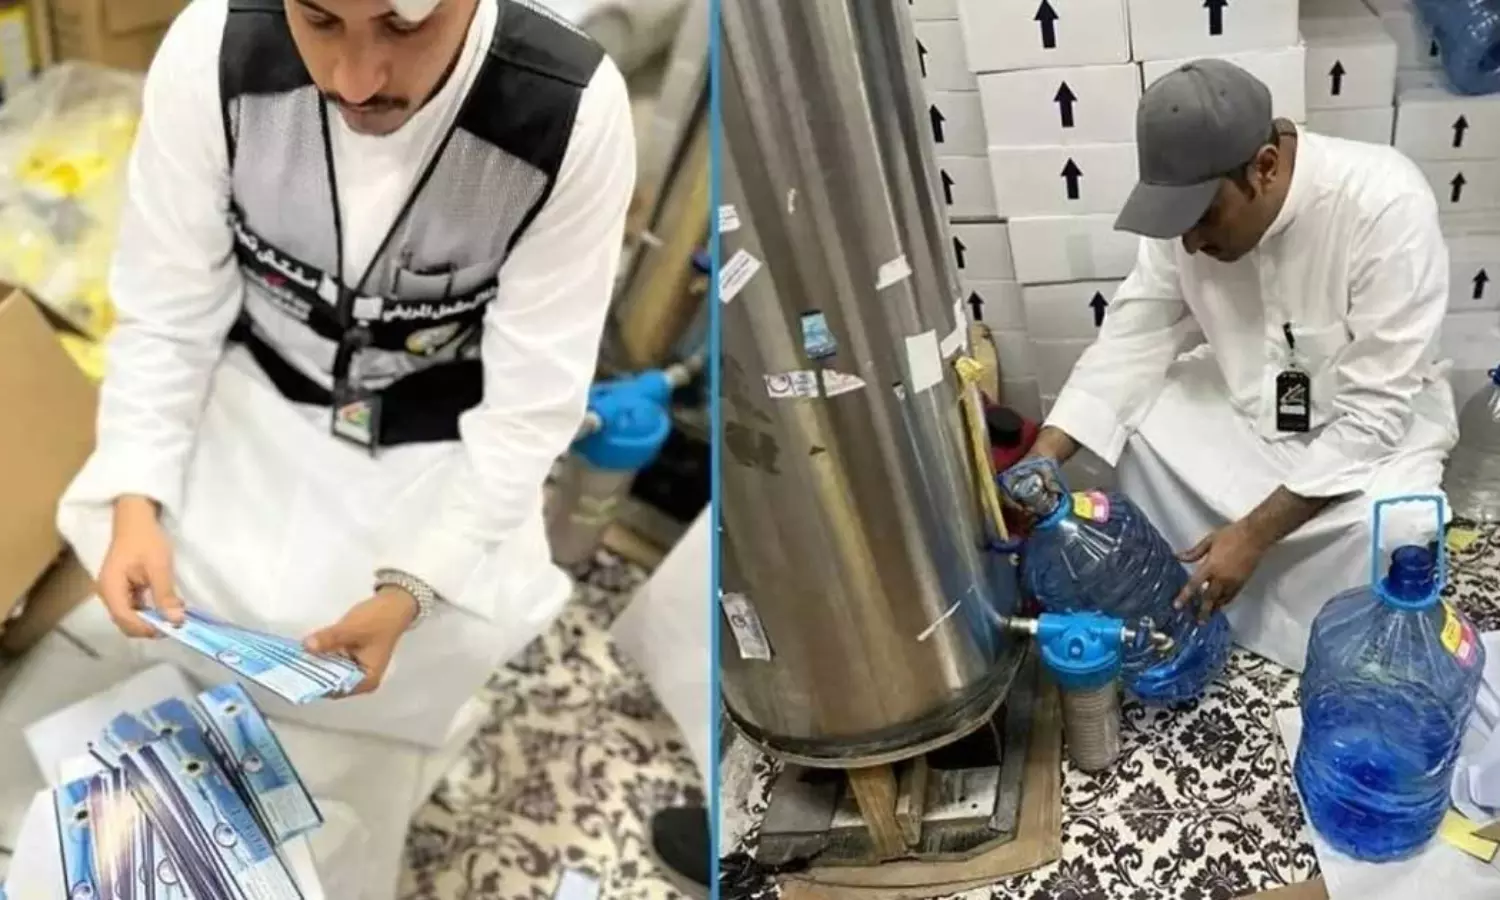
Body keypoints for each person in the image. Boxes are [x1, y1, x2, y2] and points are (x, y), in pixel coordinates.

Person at [50, 0, 634, 893]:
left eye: (402, 27)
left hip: (437, 429)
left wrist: (415, 584)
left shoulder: (567, 112)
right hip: (259, 389)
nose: (355, 82)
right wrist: (136, 496)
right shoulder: (214, 51)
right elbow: (167, 309)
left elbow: (530, 404)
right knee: (175, 582)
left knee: (456, 622)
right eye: (320, 21)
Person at [1021, 60, 1457, 672]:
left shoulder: (1385, 203)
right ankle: (1188, 591)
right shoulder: (1185, 220)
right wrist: (1044, 454)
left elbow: (1376, 412)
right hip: (1247, 408)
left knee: (1398, 525)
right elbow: (1133, 337)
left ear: (1265, 167)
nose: (1191, 244)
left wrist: (1253, 534)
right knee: (1135, 424)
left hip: (1371, 438)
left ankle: (1302, 629)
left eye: (1204, 218)